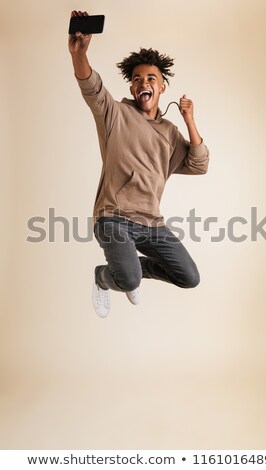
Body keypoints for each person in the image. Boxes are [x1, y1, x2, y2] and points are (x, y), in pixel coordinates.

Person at [68, 10, 210, 318]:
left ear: (162, 87)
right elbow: (91, 86)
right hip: (114, 217)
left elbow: (199, 165)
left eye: (151, 78)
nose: (143, 83)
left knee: (189, 276)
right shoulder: (115, 114)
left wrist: (189, 121)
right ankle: (104, 276)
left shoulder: (171, 134)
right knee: (127, 279)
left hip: (152, 224)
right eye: (136, 79)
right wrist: (79, 54)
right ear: (132, 89)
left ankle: (130, 269)